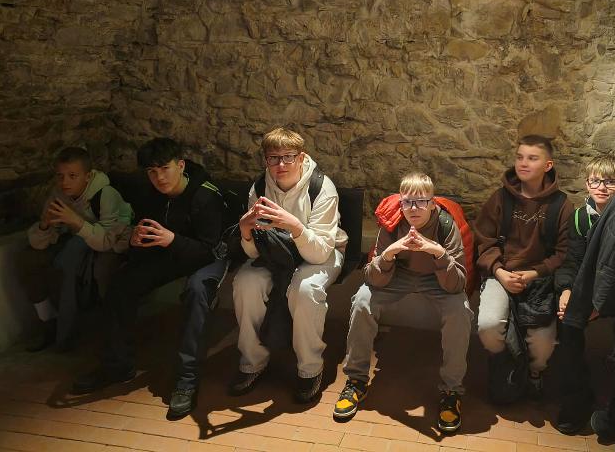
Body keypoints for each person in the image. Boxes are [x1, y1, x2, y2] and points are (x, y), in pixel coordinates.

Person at [71, 138, 226, 422]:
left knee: (197, 291)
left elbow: (210, 250)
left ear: (180, 165)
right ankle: (117, 365)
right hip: (168, 253)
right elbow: (147, 232)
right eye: (152, 172)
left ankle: (186, 380)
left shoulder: (205, 196)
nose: (159, 177)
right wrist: (136, 240)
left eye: (165, 169)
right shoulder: (150, 192)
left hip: (204, 256)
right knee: (122, 283)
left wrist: (172, 239)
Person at [334, 173, 472, 433]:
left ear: (432, 203)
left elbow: (457, 284)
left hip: (438, 277)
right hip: (398, 274)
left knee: (459, 310)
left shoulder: (445, 224)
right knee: (362, 300)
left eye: (421, 202)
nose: (414, 209)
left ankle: (451, 390)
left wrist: (438, 252)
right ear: (401, 203)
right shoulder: (392, 223)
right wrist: (388, 254)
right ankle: (356, 380)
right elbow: (372, 278)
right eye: (408, 202)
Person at [229, 127, 347, 403]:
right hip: (275, 254)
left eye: (288, 157)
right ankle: (253, 362)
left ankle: (309, 368)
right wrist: (245, 231)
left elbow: (319, 253)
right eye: (273, 158)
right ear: (266, 160)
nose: (281, 165)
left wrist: (294, 226)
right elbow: (253, 252)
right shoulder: (260, 188)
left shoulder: (321, 188)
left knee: (305, 290)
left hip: (321, 252)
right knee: (245, 283)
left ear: (301, 157)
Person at [474, 134, 572, 397]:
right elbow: (484, 241)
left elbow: (564, 253)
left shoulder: (561, 205)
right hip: (501, 273)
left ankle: (534, 372)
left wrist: (535, 272)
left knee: (543, 344)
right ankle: (505, 366)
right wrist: (499, 271)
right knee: (488, 326)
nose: (523, 163)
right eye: (519, 157)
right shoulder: (500, 199)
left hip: (539, 279)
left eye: (532, 158)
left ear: (548, 165)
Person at [21, 147, 132, 351]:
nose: (65, 182)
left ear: (87, 177)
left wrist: (76, 222)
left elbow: (107, 241)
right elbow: (39, 243)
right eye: (60, 176)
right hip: (79, 237)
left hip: (112, 241)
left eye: (73, 176)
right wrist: (45, 225)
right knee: (30, 258)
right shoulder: (59, 195)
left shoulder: (106, 195)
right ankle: (50, 323)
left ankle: (110, 332)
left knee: (98, 270)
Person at [553, 154, 615, 435]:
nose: (602, 188)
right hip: (588, 288)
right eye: (595, 181)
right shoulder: (580, 218)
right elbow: (572, 261)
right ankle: (577, 396)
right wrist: (566, 290)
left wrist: (600, 304)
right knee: (567, 322)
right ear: (587, 184)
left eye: (610, 182)